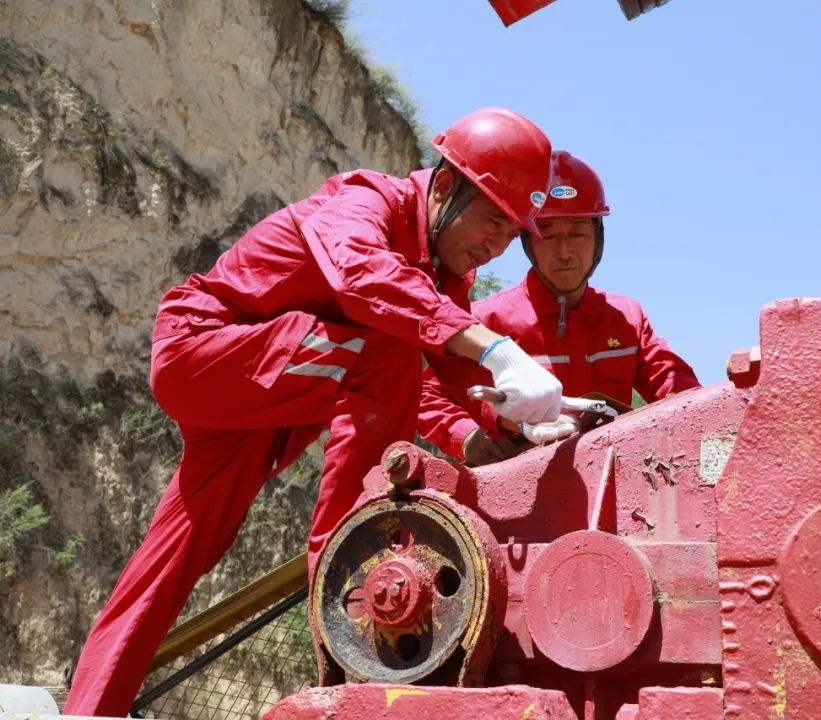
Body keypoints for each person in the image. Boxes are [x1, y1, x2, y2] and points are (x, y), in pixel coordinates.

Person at [64, 107, 565, 717]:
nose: (495, 246)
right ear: (442, 186)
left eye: (512, 234)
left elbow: (447, 374)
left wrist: (513, 424)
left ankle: (90, 709)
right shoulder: (367, 201)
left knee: (173, 561)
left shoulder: (442, 277)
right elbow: (362, 277)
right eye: (491, 219)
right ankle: (348, 553)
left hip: (261, 406)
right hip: (204, 351)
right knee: (391, 341)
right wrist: (498, 347)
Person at [418, 150, 700, 465]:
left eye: (578, 234)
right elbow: (427, 397)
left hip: (611, 492)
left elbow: (684, 398)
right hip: (516, 498)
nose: (564, 252)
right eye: (548, 236)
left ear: (598, 239)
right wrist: (470, 440)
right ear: (527, 242)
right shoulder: (485, 321)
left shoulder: (627, 319)